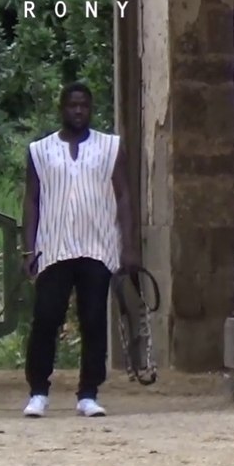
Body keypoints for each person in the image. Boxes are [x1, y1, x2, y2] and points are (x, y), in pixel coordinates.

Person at [21, 82, 138, 418]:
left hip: (96, 245)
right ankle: (38, 391)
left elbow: (124, 196)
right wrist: (27, 250)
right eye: (72, 105)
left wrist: (129, 246)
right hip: (53, 247)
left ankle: (88, 393)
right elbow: (31, 200)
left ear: (90, 109)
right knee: (46, 318)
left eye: (84, 106)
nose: (78, 111)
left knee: (92, 319)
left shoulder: (110, 147)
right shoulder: (40, 151)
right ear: (62, 108)